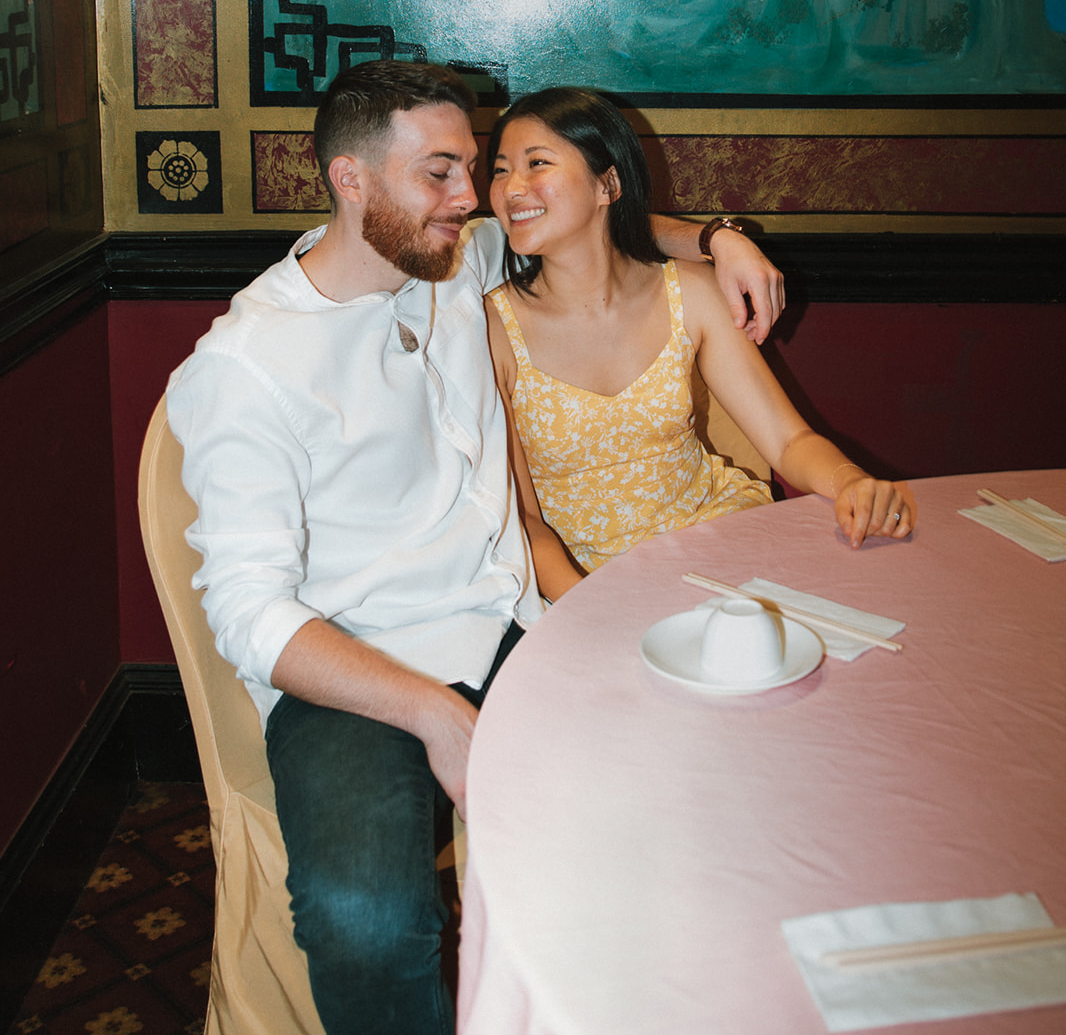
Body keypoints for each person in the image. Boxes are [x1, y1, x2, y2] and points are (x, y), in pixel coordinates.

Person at [165, 60, 786, 1035]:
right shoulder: (246, 365)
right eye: (442, 173)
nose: (476, 198)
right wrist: (432, 711)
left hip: (517, 619)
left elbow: (595, 220)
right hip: (356, 668)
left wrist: (720, 240)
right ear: (351, 178)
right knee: (365, 921)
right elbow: (249, 610)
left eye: (477, 169)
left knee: (695, 812)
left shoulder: (451, 254)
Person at [485, 86, 914, 587]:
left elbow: (788, 440)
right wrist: (591, 612)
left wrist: (852, 484)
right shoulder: (492, 327)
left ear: (608, 185)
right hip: (588, 581)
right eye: (499, 169)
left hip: (717, 540)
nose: (512, 187)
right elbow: (526, 524)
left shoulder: (689, 293)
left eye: (537, 163)